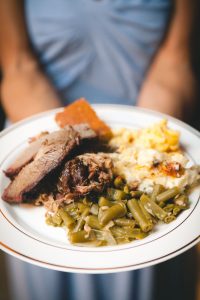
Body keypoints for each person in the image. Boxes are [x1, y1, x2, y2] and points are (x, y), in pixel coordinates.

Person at [0, 1, 198, 300]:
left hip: (139, 121)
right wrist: (59, 152)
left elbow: (175, 62)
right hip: (37, 118)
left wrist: (148, 148)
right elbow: (18, 66)